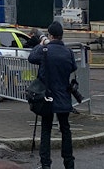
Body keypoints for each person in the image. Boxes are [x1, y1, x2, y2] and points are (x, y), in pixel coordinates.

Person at [28, 21, 76, 169]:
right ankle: (69, 163)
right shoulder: (68, 52)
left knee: (46, 130)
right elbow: (72, 67)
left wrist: (42, 44)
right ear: (61, 36)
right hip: (63, 96)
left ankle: (46, 164)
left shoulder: (45, 50)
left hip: (46, 97)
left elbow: (31, 57)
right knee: (65, 129)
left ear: (50, 35)